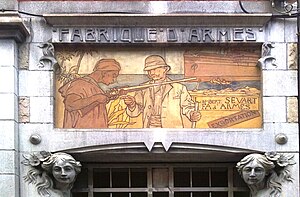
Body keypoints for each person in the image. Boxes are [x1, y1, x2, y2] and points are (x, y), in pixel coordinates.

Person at [122, 55, 201, 128]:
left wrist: (192, 114)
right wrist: (132, 104)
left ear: (165, 69)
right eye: (149, 70)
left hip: (172, 130)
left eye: (155, 69)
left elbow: (187, 107)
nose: (152, 73)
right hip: (149, 129)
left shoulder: (179, 88)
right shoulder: (143, 88)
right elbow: (136, 111)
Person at [59, 59, 121, 128]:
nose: (114, 80)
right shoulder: (79, 84)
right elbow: (70, 104)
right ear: (104, 73)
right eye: (114, 75)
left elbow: (92, 105)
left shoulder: (95, 86)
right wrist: (97, 98)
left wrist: (106, 97)